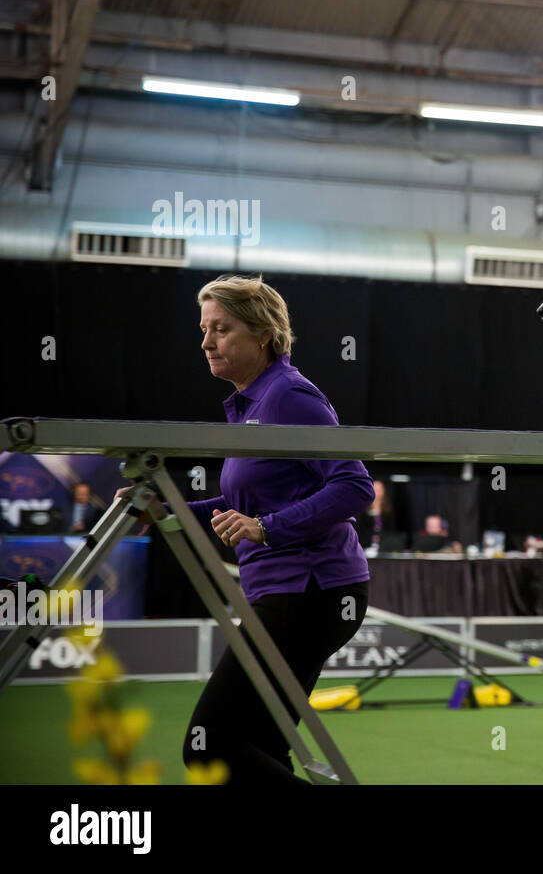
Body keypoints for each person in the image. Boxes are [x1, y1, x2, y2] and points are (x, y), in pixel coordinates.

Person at [119, 274, 373, 785]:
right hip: (288, 594)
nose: (206, 341)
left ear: (263, 334)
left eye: (222, 329)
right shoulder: (250, 405)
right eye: (204, 328)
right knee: (259, 749)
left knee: (211, 749)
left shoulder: (290, 397)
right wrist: (166, 507)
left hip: (310, 592)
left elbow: (353, 487)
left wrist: (266, 527)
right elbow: (241, 502)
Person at [358, 479, 392, 550]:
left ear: (384, 491)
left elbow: (391, 531)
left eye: (380, 489)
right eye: (375, 489)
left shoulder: (388, 510)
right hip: (367, 546)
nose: (378, 492)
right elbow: (361, 530)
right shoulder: (364, 509)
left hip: (384, 546)